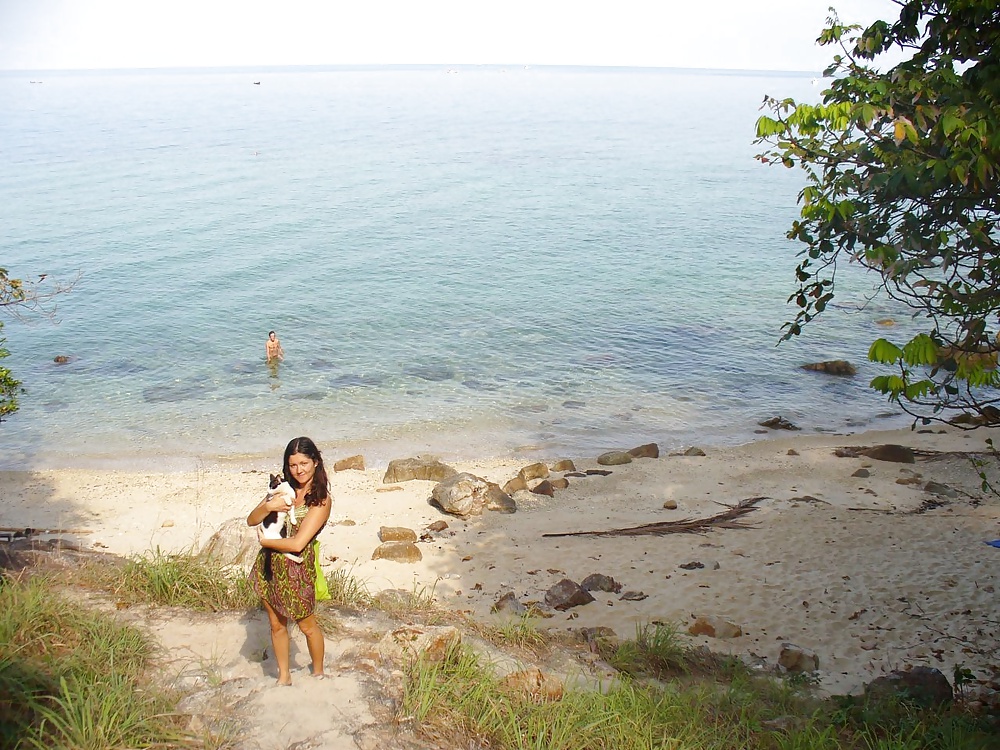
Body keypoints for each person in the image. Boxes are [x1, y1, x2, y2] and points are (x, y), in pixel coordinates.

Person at [247, 436, 332, 685]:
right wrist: (269, 506)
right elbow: (252, 520)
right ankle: (284, 676)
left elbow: (297, 544)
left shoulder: (321, 499)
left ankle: (318, 672)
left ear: (316, 462)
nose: (299, 470)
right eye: (293, 465)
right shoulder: (282, 488)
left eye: (304, 463)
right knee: (276, 624)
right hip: (270, 567)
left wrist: (266, 543)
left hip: (298, 567)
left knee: (307, 625)